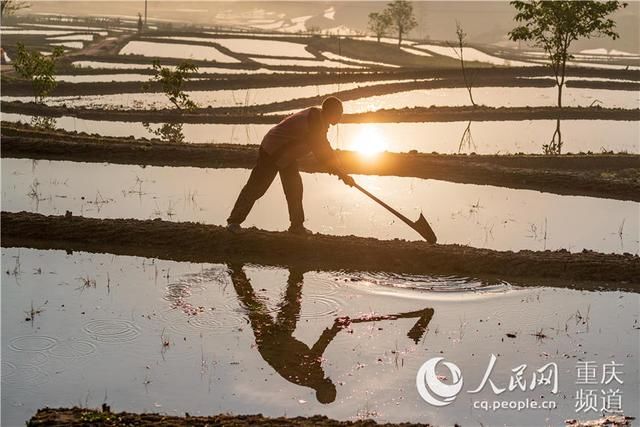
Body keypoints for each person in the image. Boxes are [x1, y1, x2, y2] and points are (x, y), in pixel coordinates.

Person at [226, 96, 355, 235]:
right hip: (273, 150)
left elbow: (325, 149)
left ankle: (296, 226)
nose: (340, 117)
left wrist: (339, 171)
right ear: (330, 112)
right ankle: (234, 222)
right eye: (339, 114)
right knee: (257, 187)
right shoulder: (315, 120)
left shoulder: (319, 120)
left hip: (287, 155)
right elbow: (322, 151)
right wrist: (341, 174)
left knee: (295, 188)